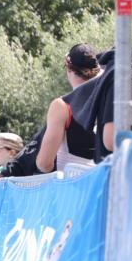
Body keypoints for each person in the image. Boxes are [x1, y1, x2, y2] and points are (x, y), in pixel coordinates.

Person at [37, 44, 103, 173]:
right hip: (104, 183)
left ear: (69, 68)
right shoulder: (108, 99)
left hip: (73, 187)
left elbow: (44, 164)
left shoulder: (62, 106)